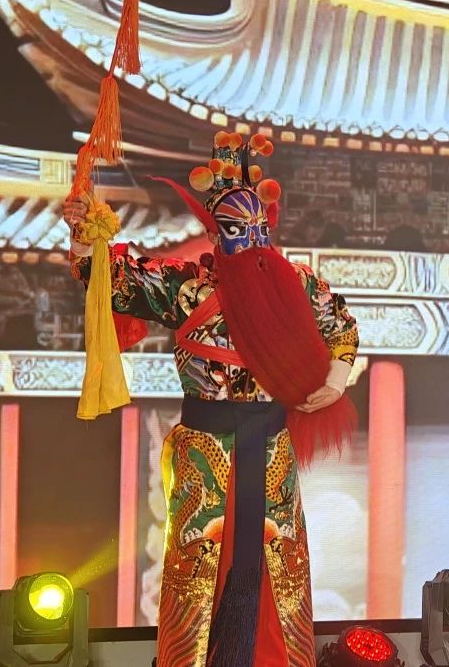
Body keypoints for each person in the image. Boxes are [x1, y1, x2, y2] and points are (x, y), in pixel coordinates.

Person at [63, 131, 358, 667]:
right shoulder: (189, 287)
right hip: (205, 448)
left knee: (279, 560)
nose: (249, 239)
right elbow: (114, 280)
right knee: (198, 560)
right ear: (215, 232)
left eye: (257, 228)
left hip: (270, 443)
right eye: (234, 228)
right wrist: (87, 235)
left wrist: (335, 380)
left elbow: (341, 326)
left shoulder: (299, 283)